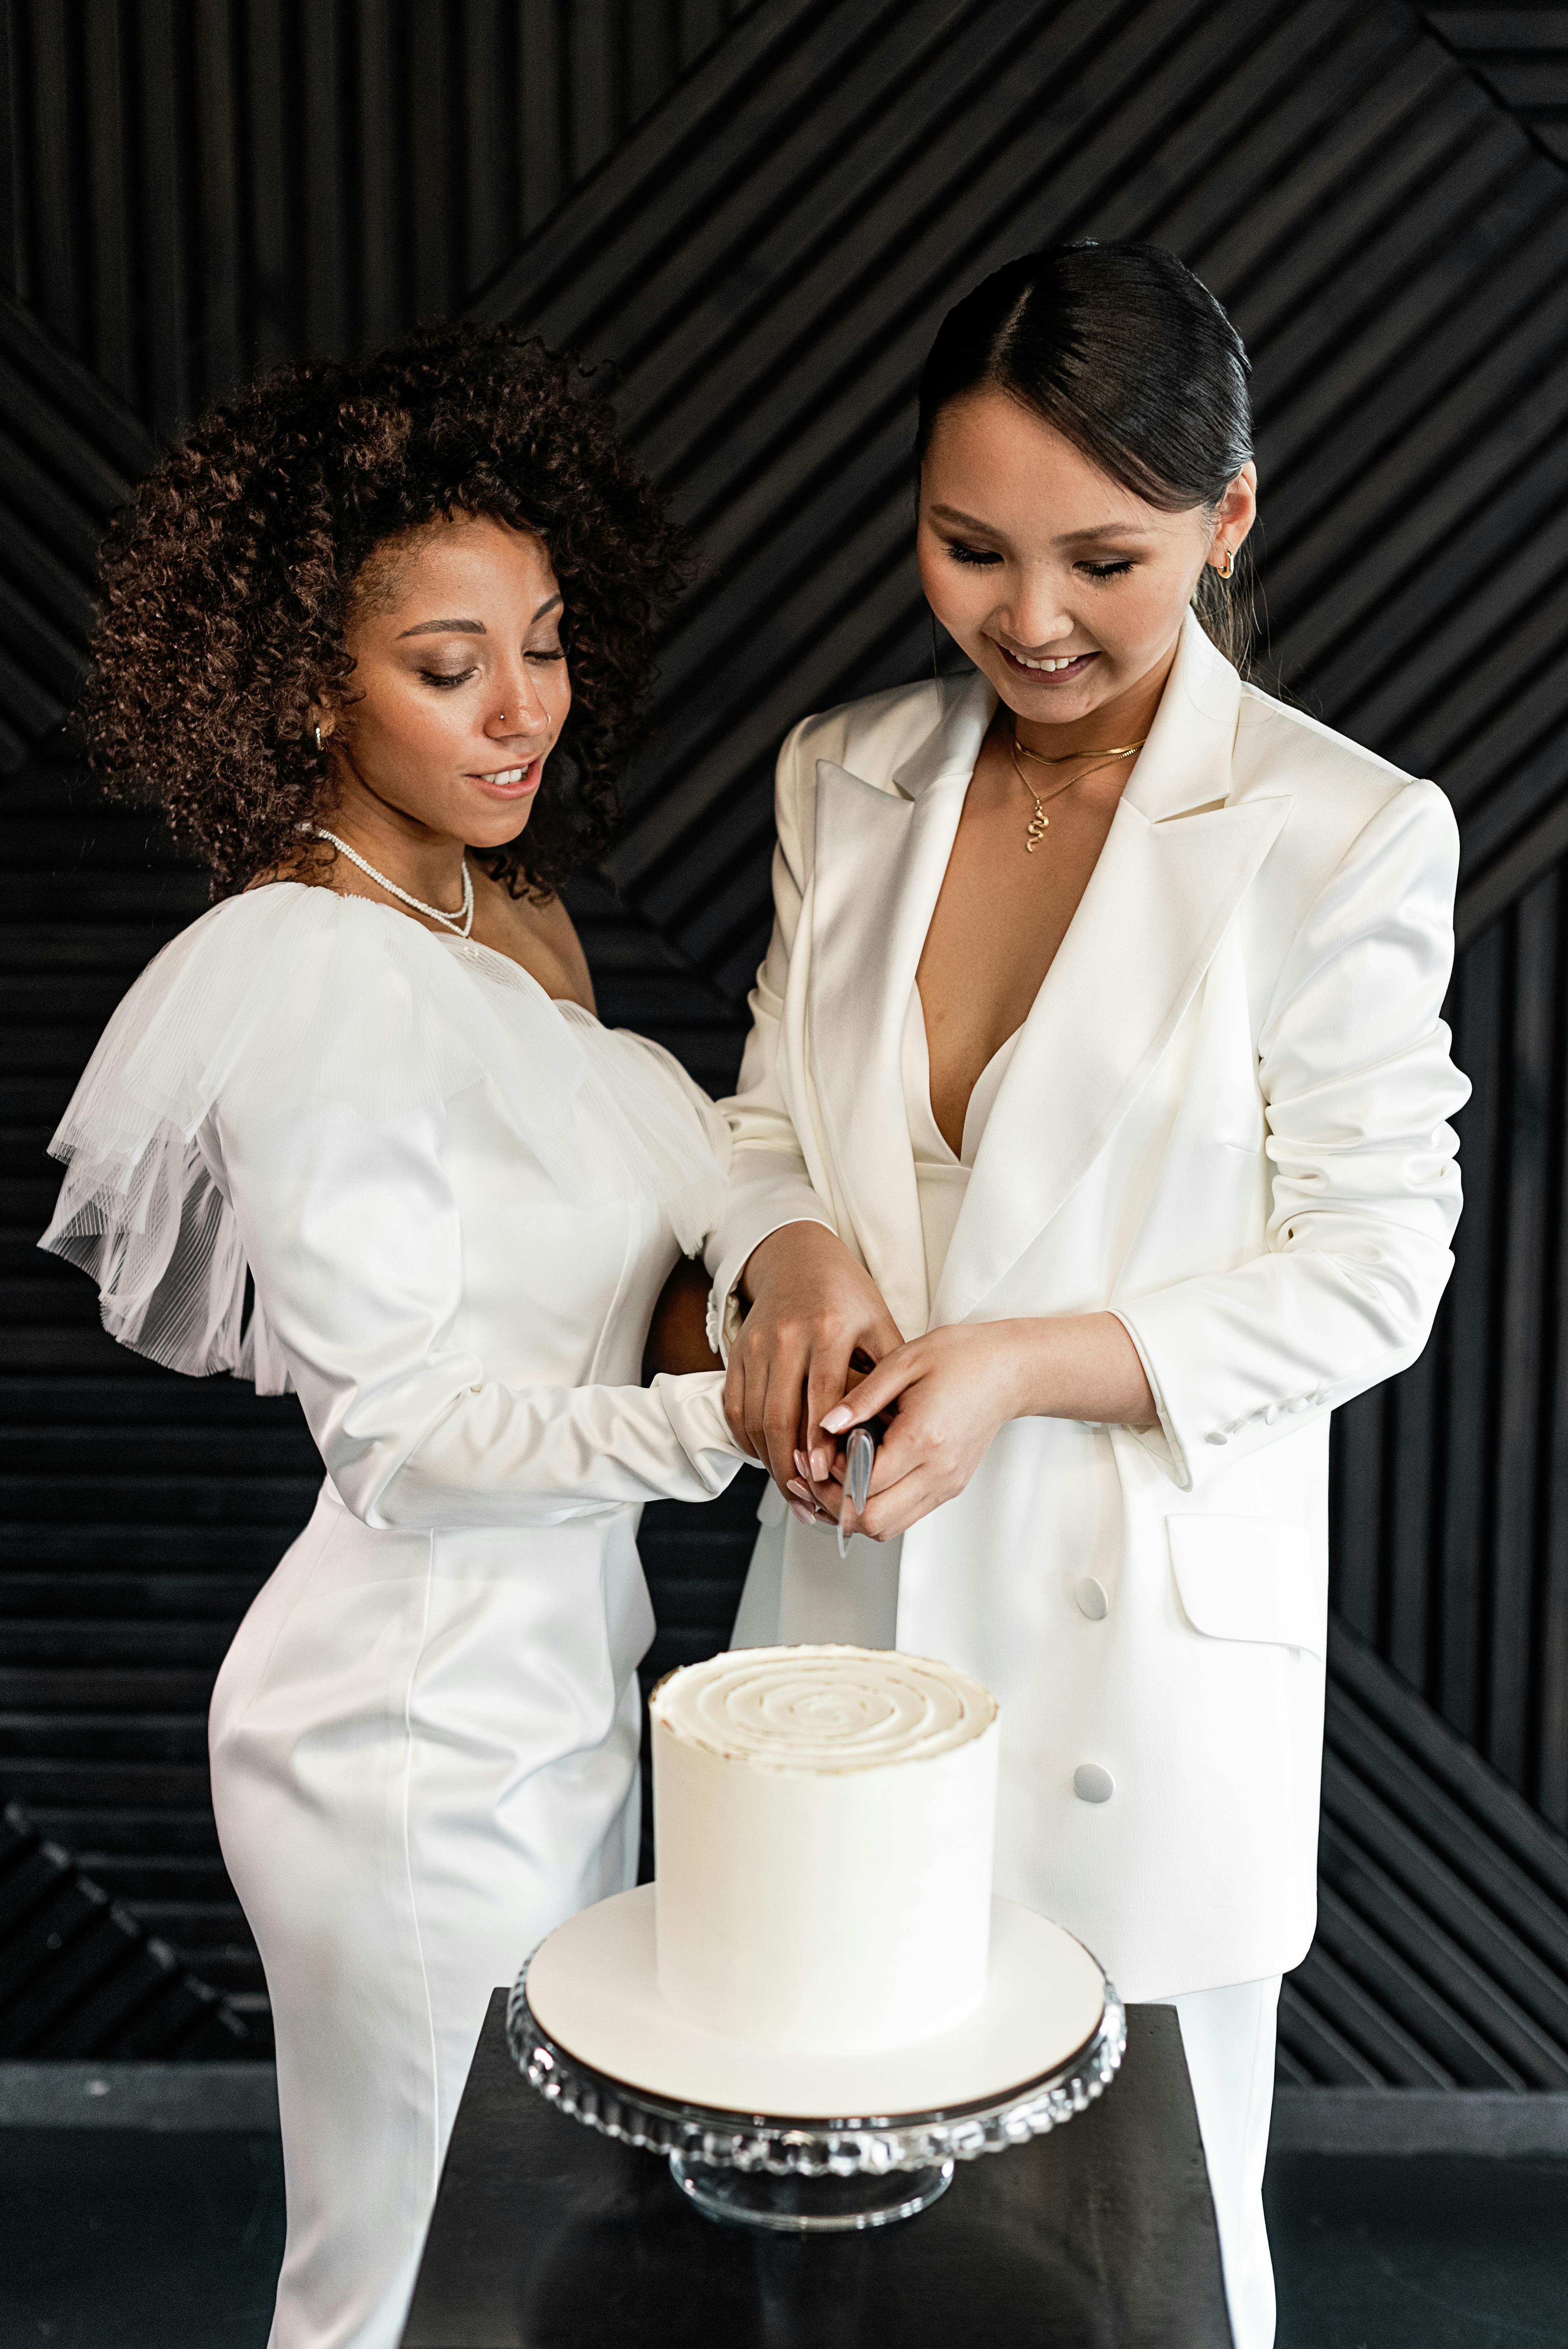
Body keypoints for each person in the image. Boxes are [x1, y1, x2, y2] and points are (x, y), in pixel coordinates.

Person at [706, 243, 1467, 2349]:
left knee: (1150, 2268)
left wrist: (1030, 1365)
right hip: (854, 1603)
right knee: (833, 2209)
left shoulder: (1339, 832)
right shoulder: (840, 776)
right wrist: (793, 1249)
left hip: (1144, 1652)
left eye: (1104, 558)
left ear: (1228, 521)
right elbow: (762, 1127)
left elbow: (1383, 1264)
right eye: (970, 549)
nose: (1028, 618)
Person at [40, 324, 744, 2349]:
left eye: (541, 642)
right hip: (404, 1737)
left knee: (530, 2264)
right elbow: (412, 1442)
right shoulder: (314, 980)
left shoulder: (507, 915)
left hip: (559, 1678)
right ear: (307, 685)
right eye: (449, 669)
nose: (520, 711)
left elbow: (680, 1176)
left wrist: (774, 1254)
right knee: (408, 2287)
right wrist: (726, 1423)